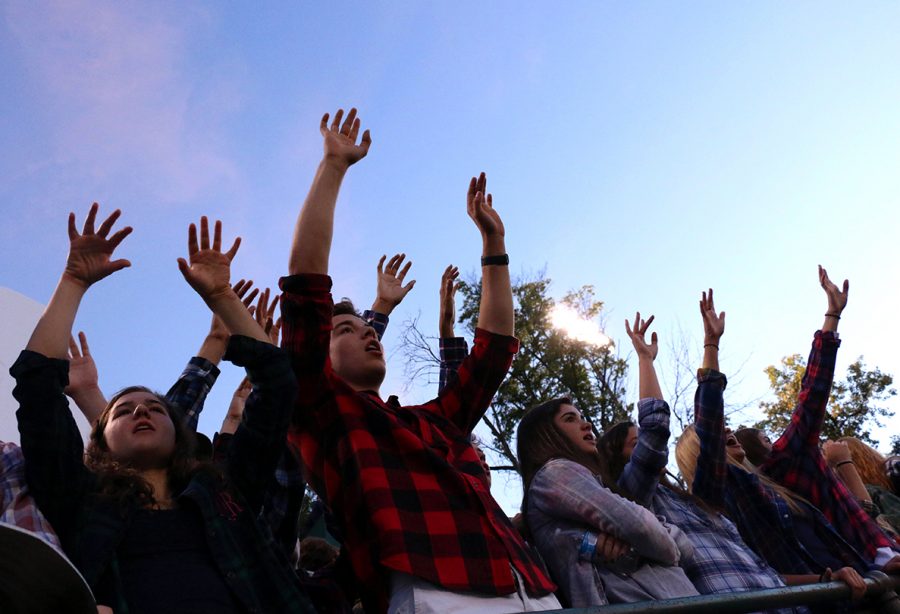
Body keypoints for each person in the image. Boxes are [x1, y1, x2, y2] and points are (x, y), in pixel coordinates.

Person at [281, 108, 559, 612]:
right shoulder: (325, 414)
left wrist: (494, 246)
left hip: (530, 586)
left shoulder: (434, 422)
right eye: (345, 329)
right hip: (435, 591)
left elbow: (493, 352)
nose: (369, 335)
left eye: (370, 329)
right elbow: (304, 287)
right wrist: (334, 167)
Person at [13, 205, 314, 613]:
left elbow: (277, 385)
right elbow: (37, 392)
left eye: (155, 408)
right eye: (123, 412)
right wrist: (73, 282)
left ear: (180, 432)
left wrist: (223, 297)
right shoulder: (80, 500)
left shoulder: (227, 492)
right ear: (99, 441)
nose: (141, 412)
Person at [676, 279, 898, 604]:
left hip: (873, 587)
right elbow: (708, 421)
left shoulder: (780, 471)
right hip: (825, 602)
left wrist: (831, 318)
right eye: (711, 435)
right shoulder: (716, 498)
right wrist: (711, 345)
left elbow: (810, 401)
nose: (725, 430)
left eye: (726, 426)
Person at [603, 313, 809, 612]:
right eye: (636, 446)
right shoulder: (633, 499)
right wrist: (645, 360)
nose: (647, 451)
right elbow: (657, 428)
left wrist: (825, 580)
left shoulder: (696, 500)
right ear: (618, 460)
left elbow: (763, 571)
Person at [517, 390, 698, 607]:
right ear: (545, 436)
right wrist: (648, 542)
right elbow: (639, 526)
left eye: (582, 417)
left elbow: (686, 549)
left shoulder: (600, 485)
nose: (587, 425)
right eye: (570, 419)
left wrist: (645, 542)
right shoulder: (554, 473)